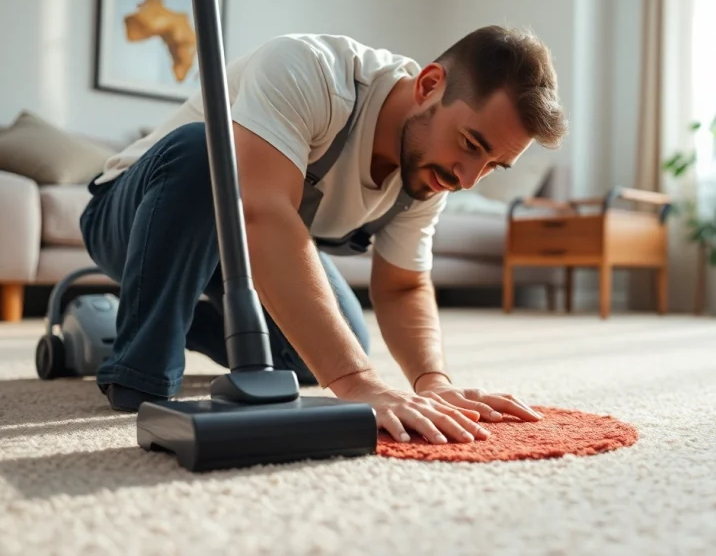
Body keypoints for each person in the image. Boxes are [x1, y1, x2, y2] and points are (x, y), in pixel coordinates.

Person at [78, 25, 568, 445]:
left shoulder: (432, 169)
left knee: (325, 351)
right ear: (429, 85)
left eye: (492, 166)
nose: (467, 179)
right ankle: (140, 365)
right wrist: (358, 384)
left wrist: (432, 382)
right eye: (470, 144)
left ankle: (144, 312)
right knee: (209, 151)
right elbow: (262, 213)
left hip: (236, 259)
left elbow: (403, 286)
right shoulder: (310, 71)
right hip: (136, 218)